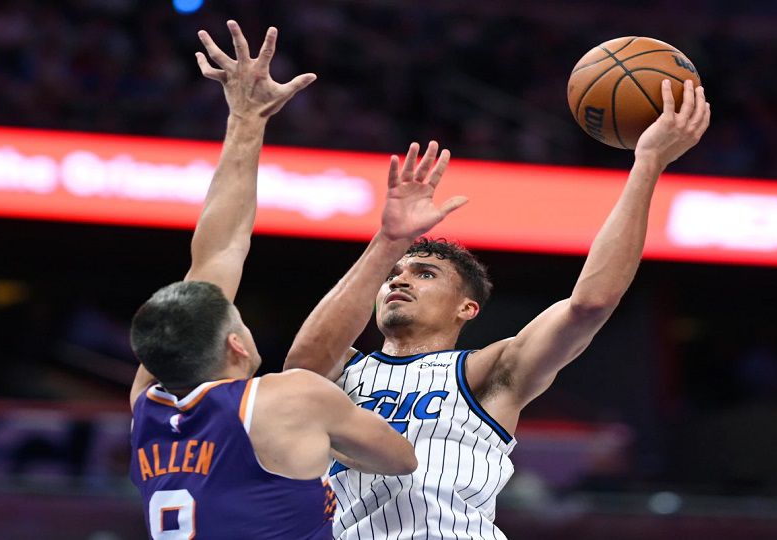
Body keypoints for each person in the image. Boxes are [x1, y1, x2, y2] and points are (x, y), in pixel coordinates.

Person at [285, 79, 711, 539]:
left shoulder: (488, 372)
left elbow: (591, 303)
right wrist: (388, 243)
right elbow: (301, 367)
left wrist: (647, 163)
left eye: (426, 274)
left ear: (467, 309)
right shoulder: (342, 374)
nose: (401, 279)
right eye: (395, 275)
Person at [126, 22, 445, 539]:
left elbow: (218, 251)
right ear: (235, 343)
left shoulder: (148, 403)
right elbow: (400, 460)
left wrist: (245, 120)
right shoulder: (289, 399)